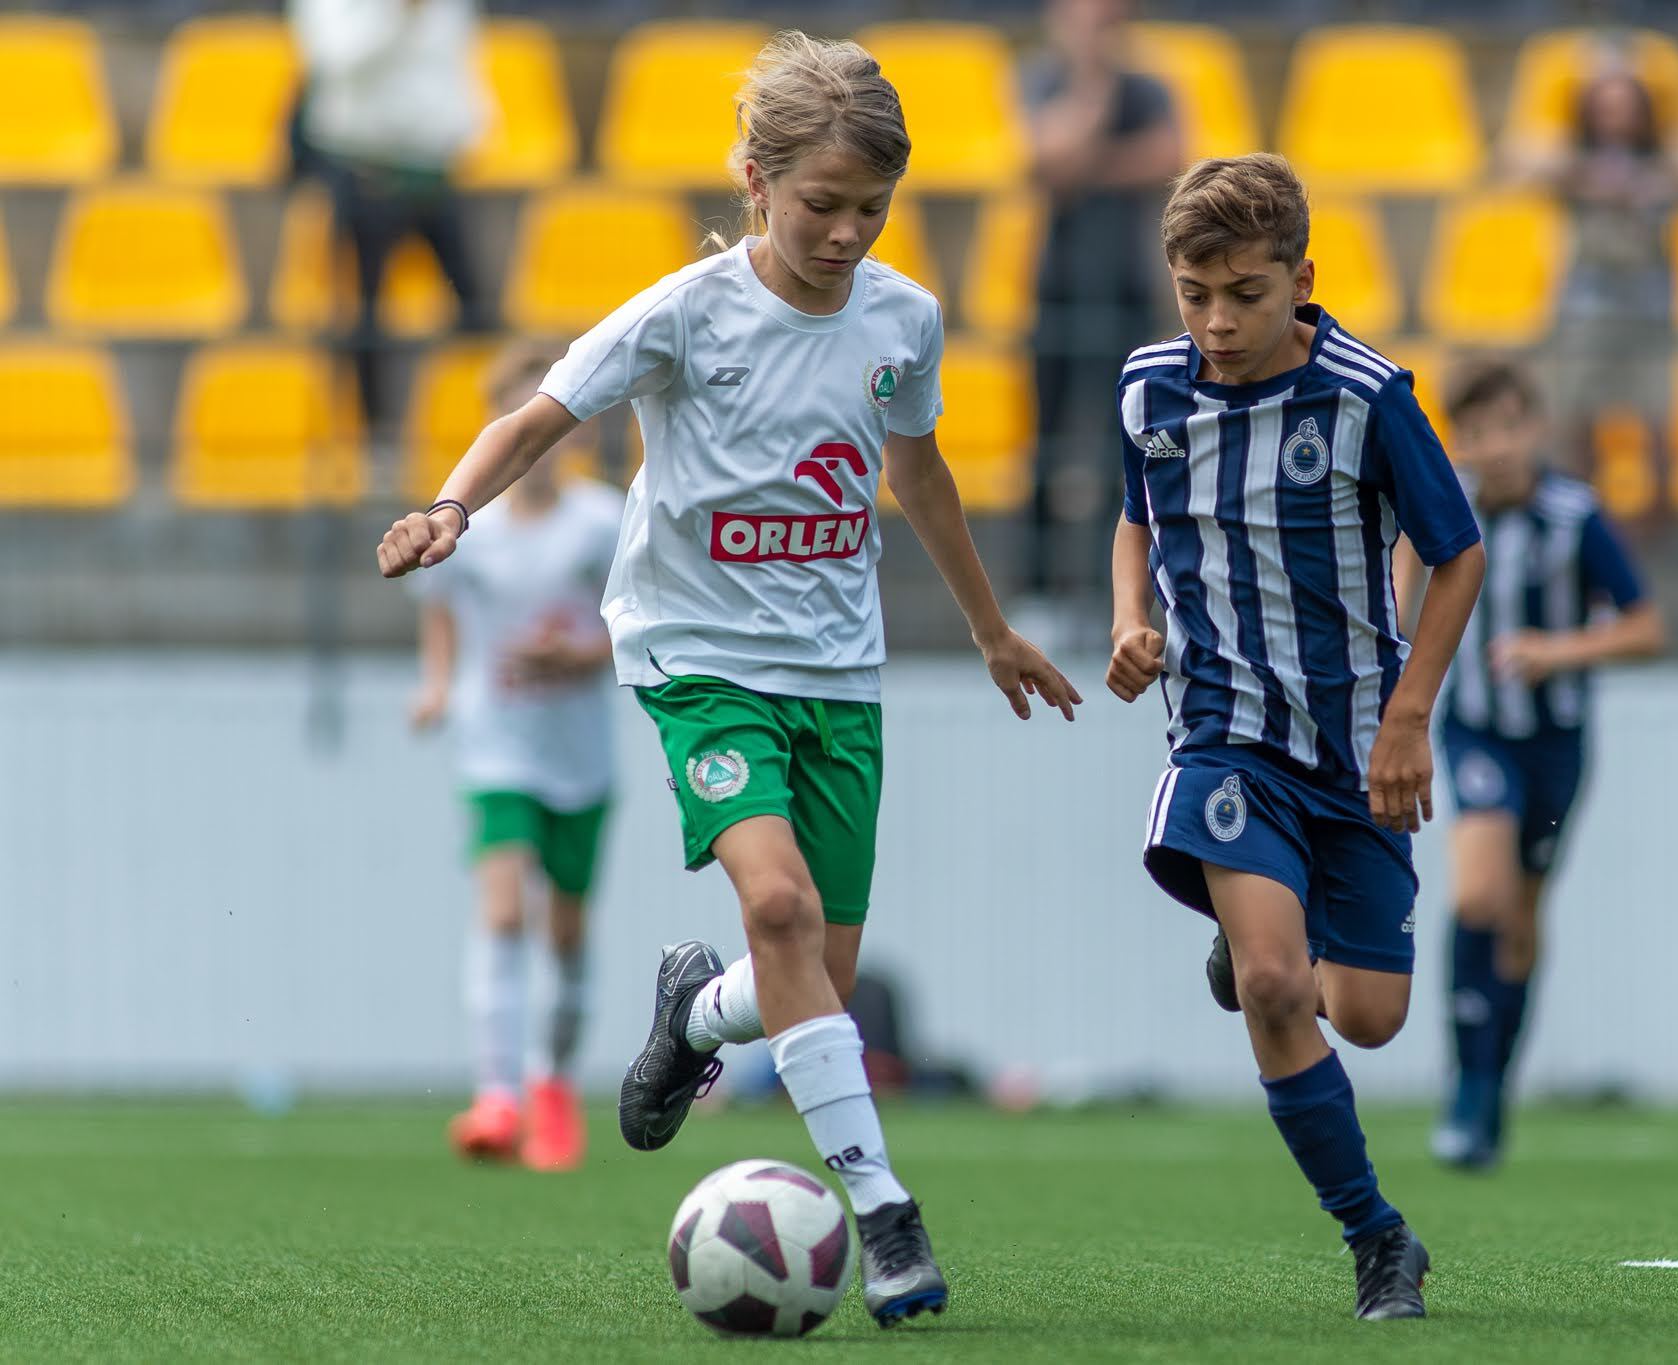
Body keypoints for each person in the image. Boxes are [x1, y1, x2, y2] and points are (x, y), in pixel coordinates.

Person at [377, 32, 1080, 1328]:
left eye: (870, 208)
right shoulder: (687, 312)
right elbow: (538, 415)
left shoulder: (903, 319)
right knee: (780, 906)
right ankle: (883, 1208)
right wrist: (450, 507)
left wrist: (989, 629)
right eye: (822, 205)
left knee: (818, 971)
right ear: (756, 183)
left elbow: (919, 473)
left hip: (837, 673)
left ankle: (696, 1015)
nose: (846, 233)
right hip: (697, 658)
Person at [1106, 154, 1485, 1322]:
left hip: (1357, 748)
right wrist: (1129, 620)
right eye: (1194, 295)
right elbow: (1134, 519)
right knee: (1276, 985)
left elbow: (1458, 554)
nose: (1216, 322)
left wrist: (1408, 718)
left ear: (1300, 281)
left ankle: (1258, 956)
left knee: (1365, 1015)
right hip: (1224, 735)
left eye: (1246, 294)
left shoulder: (1365, 397)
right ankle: (1377, 1240)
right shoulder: (1147, 391)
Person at [1398, 362, 1664, 1171]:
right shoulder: (1446, 507)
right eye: (1477, 433)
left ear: (1536, 428)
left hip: (1556, 742)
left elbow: (1646, 628)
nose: (1496, 447)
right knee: (1478, 894)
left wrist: (1558, 651)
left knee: (1520, 918)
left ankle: (1493, 1086)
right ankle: (1465, 1086)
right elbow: (1401, 580)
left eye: (1509, 427)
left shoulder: (1575, 517)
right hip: (1476, 730)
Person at [409, 342, 623, 1172]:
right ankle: (496, 1096)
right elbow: (439, 608)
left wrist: (582, 657)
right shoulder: (469, 525)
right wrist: (438, 686)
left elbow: (640, 618)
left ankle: (553, 1086)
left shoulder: (601, 521)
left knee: (566, 929)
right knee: (502, 911)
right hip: (496, 742)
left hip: (579, 748)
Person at [1018, 0, 1184, 636]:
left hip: (1127, 287)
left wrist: (1090, 166)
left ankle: (1108, 595)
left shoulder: (1148, 86)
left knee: (1126, 443)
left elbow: (1170, 158)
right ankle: (1038, 592)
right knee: (1048, 443)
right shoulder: (1043, 79)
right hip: (1057, 289)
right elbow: (1049, 160)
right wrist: (1091, 83)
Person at [1511, 60, 1678, 521]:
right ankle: (1585, 535)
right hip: (1587, 314)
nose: (1615, 118)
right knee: (1579, 432)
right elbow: (1517, 162)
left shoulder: (1667, 165)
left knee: (1659, 434)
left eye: (1625, 107)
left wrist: (1655, 181)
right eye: (1605, 107)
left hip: (1651, 317)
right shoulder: (1572, 165)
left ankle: (1648, 545)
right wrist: (1585, 178)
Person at [288, 0, 493, 431]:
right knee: (365, 317)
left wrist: (472, 128)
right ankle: (374, 435)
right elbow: (334, 59)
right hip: (366, 172)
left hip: (436, 173)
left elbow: (455, 61)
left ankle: (482, 426)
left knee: (475, 310)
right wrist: (397, 13)